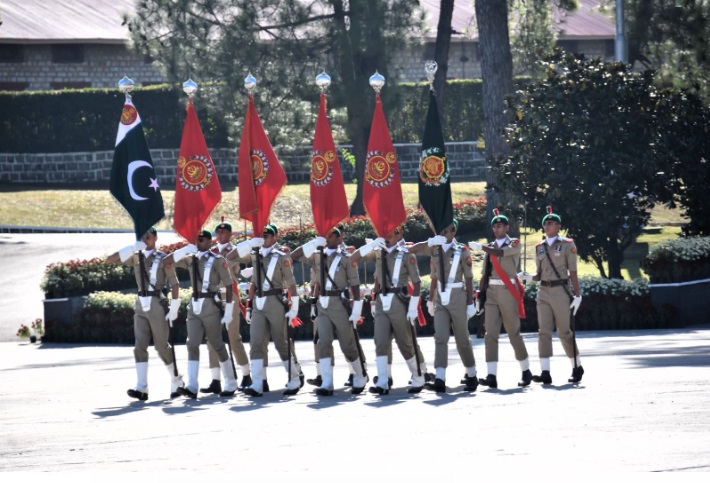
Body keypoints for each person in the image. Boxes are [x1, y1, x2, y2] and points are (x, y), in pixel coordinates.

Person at [106, 226, 185, 401]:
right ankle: (142, 387)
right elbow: (110, 260)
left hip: (157, 302)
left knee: (161, 346)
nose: (146, 239)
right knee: (139, 346)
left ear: (155, 238)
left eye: (149, 237)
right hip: (140, 303)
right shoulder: (136, 256)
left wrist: (174, 306)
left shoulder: (163, 258)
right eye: (143, 237)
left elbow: (174, 283)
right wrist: (131, 248)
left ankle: (176, 379)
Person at [352, 226, 430, 395]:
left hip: (399, 301)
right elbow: (354, 258)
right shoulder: (378, 252)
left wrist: (413, 307)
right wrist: (372, 244)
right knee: (380, 341)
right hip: (381, 301)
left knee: (405, 342)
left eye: (389, 234)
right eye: (383, 234)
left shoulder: (406, 254)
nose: (386, 237)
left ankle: (418, 376)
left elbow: (416, 283)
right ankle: (383, 380)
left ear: (397, 235)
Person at [292, 226, 369, 395]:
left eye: (331, 235)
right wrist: (313, 243)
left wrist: (357, 307)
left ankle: (359, 375)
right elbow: (294, 256)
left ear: (339, 238)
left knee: (347, 344)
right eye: (325, 235)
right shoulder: (318, 256)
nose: (327, 238)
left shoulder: (346, 258)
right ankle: (327, 382)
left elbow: (354, 284)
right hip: (322, 304)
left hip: (339, 303)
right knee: (323, 343)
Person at [163, 229, 238, 398]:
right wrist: (183, 249)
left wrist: (228, 310)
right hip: (194, 305)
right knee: (192, 344)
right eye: (197, 240)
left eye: (202, 240)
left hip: (210, 304)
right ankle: (192, 385)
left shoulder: (218, 260)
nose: (199, 242)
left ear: (210, 242)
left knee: (217, 344)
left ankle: (231, 381)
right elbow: (166, 261)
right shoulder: (190, 258)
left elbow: (228, 284)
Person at [407, 219, 479, 392]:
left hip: (457, 296)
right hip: (440, 295)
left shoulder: (462, 250)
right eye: (441, 230)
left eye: (447, 230)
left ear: (453, 231)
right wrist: (431, 299)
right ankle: (440, 378)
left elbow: (468, 278)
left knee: (462, 338)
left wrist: (470, 302)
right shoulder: (435, 248)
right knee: (440, 337)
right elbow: (411, 251)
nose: (444, 233)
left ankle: (472, 373)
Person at [233, 224, 303, 397]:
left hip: (275, 301)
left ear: (275, 237)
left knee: (281, 342)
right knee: (256, 342)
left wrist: (295, 307)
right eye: (262, 235)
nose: (264, 238)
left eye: (268, 235)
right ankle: (257, 383)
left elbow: (291, 283)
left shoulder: (281, 256)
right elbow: (229, 258)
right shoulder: (255, 254)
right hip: (258, 302)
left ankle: (294, 378)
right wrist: (249, 243)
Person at [468, 210, 533, 389]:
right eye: (494, 226)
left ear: (507, 227)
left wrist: (481, 248)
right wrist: (479, 296)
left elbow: (500, 253)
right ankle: (491, 375)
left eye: (500, 226)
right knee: (490, 335)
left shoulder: (514, 243)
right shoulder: (490, 247)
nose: (496, 229)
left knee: (513, 333)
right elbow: (485, 274)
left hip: (507, 290)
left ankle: (526, 370)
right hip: (491, 292)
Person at [528, 206, 584, 384]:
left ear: (559, 226)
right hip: (543, 291)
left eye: (550, 223)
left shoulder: (567, 244)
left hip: (561, 290)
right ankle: (545, 371)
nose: (547, 226)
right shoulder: (540, 247)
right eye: (545, 223)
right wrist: (529, 277)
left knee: (564, 332)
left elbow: (572, 271)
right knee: (543, 331)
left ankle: (577, 366)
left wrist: (577, 295)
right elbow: (538, 274)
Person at [200, 219, 252, 394]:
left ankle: (246, 374)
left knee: (233, 337)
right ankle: (216, 379)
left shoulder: (234, 252)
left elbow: (247, 256)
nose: (220, 235)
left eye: (224, 232)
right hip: (213, 296)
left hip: (230, 296)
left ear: (230, 234)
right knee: (211, 339)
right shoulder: (211, 252)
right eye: (218, 232)